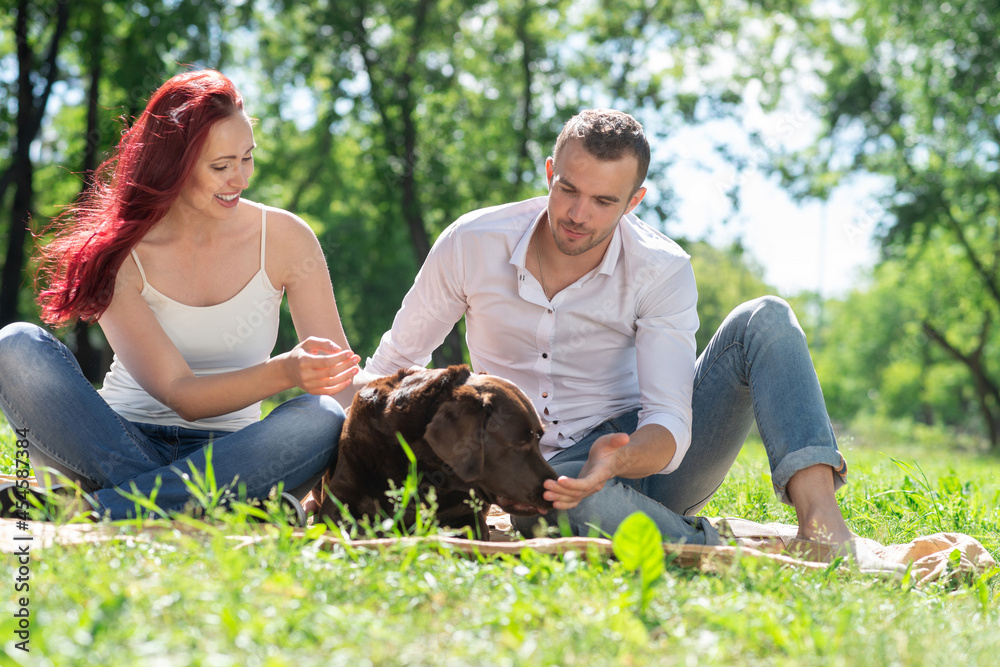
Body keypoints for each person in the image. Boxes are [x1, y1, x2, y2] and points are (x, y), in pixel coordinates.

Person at [359, 108, 854, 550]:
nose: (578, 215)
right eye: (568, 190)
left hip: (643, 454)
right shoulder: (471, 243)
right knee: (563, 505)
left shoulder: (660, 268)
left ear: (633, 201)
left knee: (764, 318)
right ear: (550, 173)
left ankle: (823, 527)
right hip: (532, 471)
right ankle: (712, 545)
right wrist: (342, 458)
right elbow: (393, 365)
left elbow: (669, 422)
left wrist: (614, 462)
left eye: (602, 201)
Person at [0, 69, 360, 523]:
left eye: (247, 158)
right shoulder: (121, 252)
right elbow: (181, 394)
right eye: (220, 166)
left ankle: (109, 507)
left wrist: (405, 398)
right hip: (116, 444)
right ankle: (218, 506)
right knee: (15, 346)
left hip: (237, 451)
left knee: (322, 415)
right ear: (175, 164)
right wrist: (285, 370)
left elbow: (341, 381)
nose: (240, 179)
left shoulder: (286, 238)